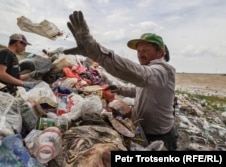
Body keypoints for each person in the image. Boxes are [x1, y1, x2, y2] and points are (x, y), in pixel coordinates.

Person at [63, 11, 177, 150]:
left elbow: (140, 74)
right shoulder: (150, 74)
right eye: (139, 51)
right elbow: (141, 90)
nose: (140, 54)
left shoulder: (163, 71)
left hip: (160, 137)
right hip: (144, 130)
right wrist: (121, 89)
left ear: (160, 53)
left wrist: (97, 52)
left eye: (145, 50)